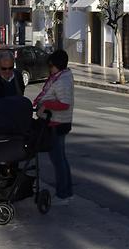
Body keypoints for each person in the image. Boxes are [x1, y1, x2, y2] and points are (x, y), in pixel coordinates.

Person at [35, 49, 74, 205]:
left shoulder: (62, 81)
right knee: (61, 159)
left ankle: (63, 194)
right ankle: (67, 191)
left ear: (57, 65)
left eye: (51, 66)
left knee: (58, 160)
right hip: (56, 122)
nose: (49, 68)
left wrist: (45, 104)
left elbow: (64, 103)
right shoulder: (58, 78)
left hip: (57, 123)